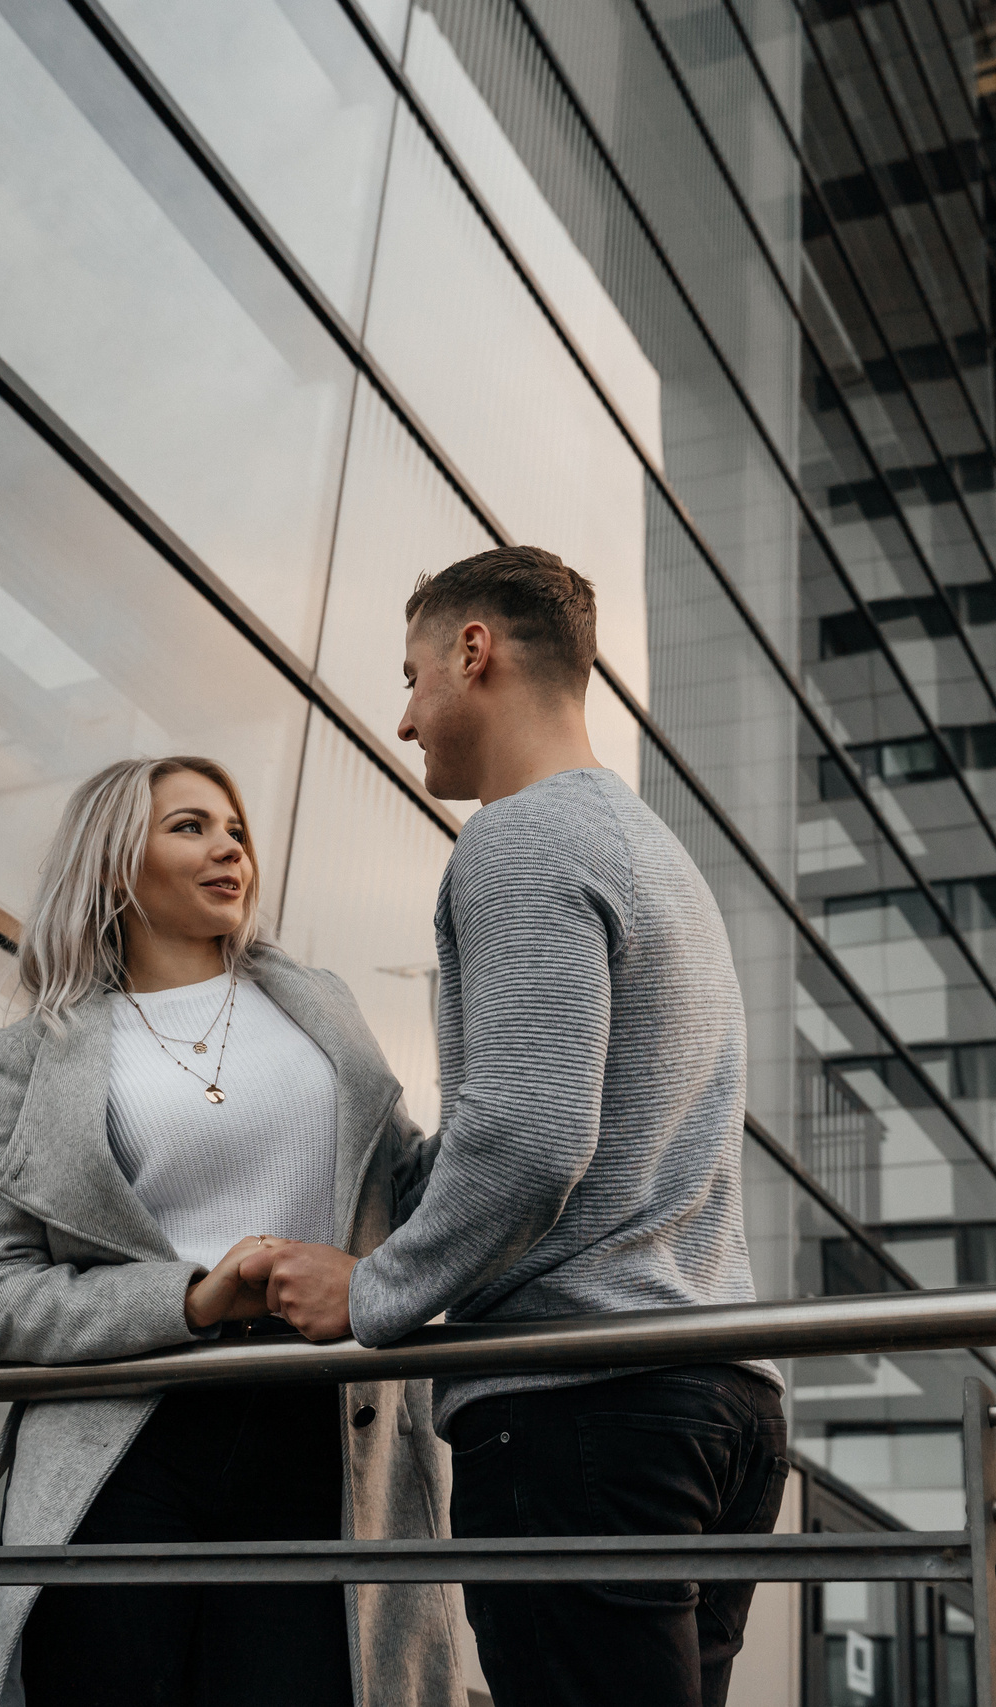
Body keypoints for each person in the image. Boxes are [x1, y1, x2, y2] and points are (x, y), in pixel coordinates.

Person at [244, 547, 787, 1707]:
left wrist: (376, 1290)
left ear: (472, 652)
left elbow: (534, 1139)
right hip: (715, 1404)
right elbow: (559, 1124)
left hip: (585, 1409)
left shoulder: (520, 840)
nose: (401, 722)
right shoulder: (653, 853)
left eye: (410, 677)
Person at [0, 756, 463, 1707]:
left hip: (327, 1437)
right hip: (128, 1450)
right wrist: (189, 1296)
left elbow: (412, 1187)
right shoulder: (33, 1056)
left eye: (235, 829)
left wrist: (500, 1078)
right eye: (190, 826)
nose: (229, 846)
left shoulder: (321, 1009)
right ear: (111, 865)